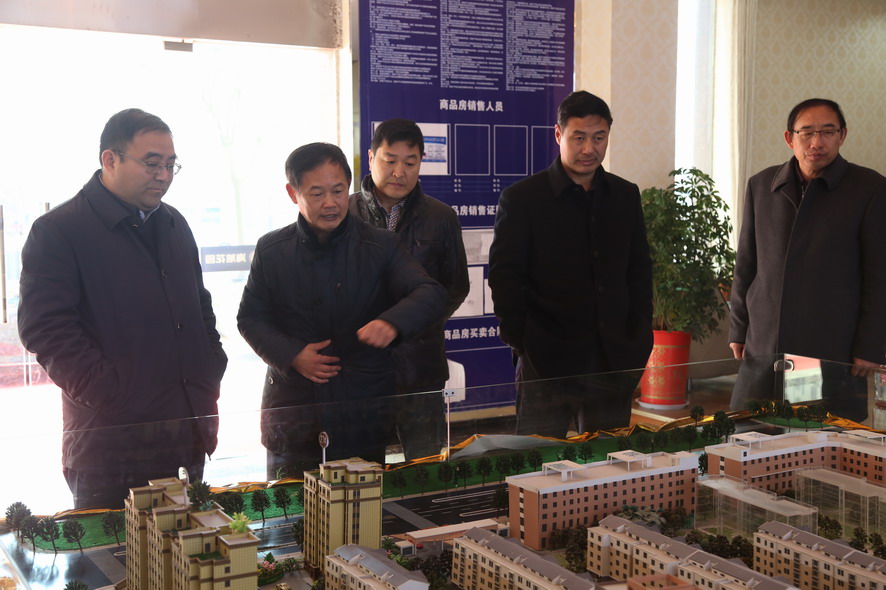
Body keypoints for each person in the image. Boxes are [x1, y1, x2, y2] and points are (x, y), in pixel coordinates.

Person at [18, 108, 227, 509]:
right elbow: (46, 330)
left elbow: (200, 308)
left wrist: (210, 365)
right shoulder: (59, 230)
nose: (163, 175)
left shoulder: (174, 223)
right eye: (151, 163)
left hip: (185, 431)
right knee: (114, 549)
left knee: (187, 545)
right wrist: (112, 394)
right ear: (110, 159)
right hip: (110, 445)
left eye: (170, 164)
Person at [237, 142, 446, 477]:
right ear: (293, 193)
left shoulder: (380, 245)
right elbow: (250, 318)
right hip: (294, 409)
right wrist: (292, 354)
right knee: (288, 504)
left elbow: (430, 293)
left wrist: (392, 323)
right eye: (316, 193)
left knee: (359, 504)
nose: (331, 203)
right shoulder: (272, 249)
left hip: (360, 409)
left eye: (338, 191)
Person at [488, 90, 653, 436]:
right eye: (579, 137)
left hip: (612, 357)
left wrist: (638, 334)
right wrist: (522, 340)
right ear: (558, 134)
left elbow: (639, 271)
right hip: (545, 357)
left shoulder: (625, 195)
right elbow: (505, 277)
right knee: (538, 457)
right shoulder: (523, 198)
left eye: (599, 137)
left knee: (606, 458)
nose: (589, 148)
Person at [729, 98, 886, 420]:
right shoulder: (762, 185)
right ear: (790, 138)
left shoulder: (869, 188)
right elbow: (746, 264)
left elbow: (879, 277)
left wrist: (869, 347)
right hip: (764, 339)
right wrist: (739, 329)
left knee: (812, 432)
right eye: (807, 133)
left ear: (842, 135)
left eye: (827, 132)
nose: (817, 142)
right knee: (749, 427)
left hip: (827, 343)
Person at [350, 119, 469, 460]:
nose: (399, 172)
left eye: (410, 162)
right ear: (371, 157)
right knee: (360, 467)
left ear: (421, 162)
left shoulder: (441, 217)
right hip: (359, 366)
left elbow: (455, 286)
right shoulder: (346, 213)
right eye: (390, 160)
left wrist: (408, 325)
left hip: (420, 365)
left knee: (425, 464)